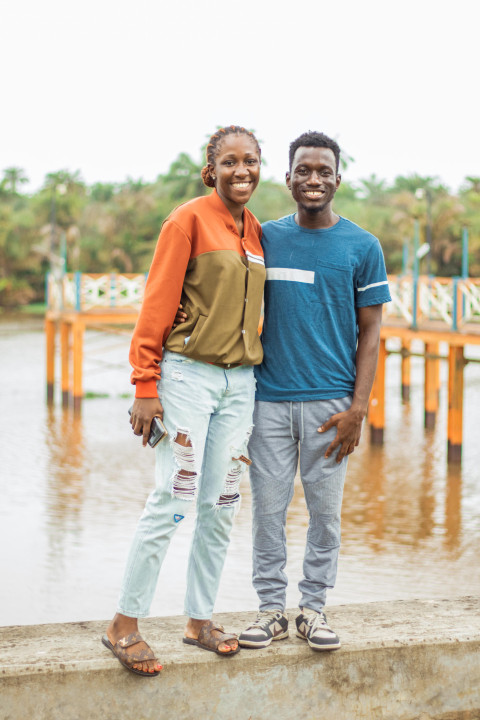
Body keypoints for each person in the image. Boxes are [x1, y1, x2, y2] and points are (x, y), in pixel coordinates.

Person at [102, 125, 265, 676]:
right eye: (231, 162)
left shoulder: (255, 231)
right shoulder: (186, 220)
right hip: (187, 378)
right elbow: (157, 302)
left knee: (221, 506)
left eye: (252, 162)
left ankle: (199, 619)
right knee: (174, 496)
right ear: (210, 171)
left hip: (240, 384)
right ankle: (124, 624)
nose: (242, 171)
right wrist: (144, 386)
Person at [237, 131, 391, 652]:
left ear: (338, 180)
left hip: (331, 406)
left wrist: (358, 409)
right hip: (269, 401)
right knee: (267, 512)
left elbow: (370, 332)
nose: (314, 180)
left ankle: (314, 609)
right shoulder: (266, 237)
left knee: (326, 514)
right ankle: (271, 611)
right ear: (288, 178)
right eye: (304, 170)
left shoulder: (362, 246)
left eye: (323, 171)